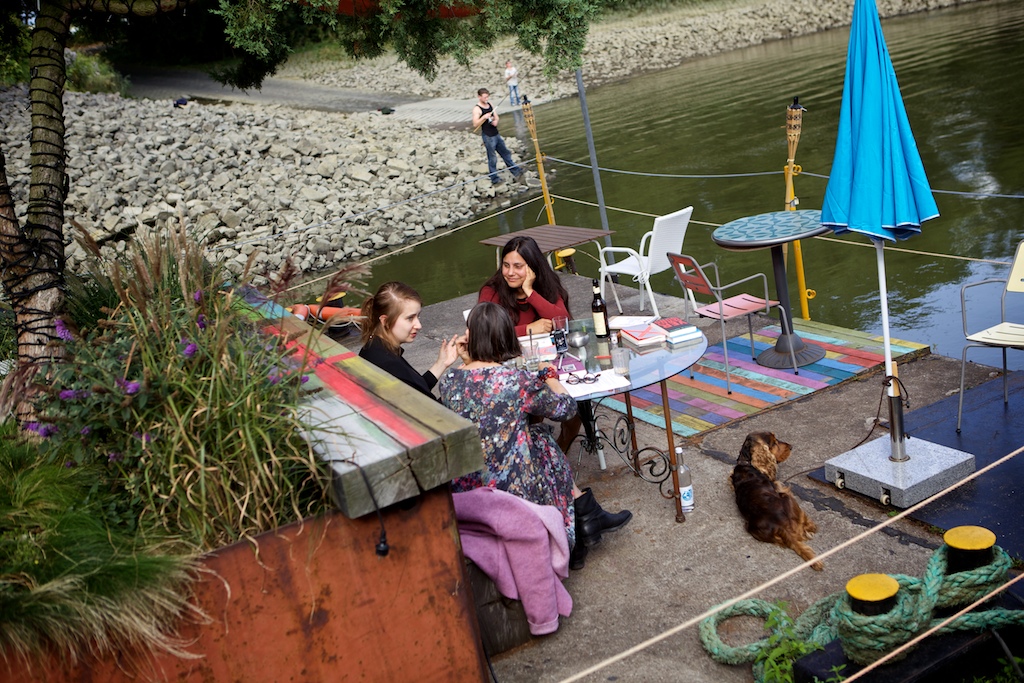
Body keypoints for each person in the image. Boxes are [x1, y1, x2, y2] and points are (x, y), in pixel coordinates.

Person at [441, 302, 632, 569]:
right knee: (543, 445)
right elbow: (566, 409)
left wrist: (467, 361)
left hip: (467, 481)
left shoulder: (449, 380)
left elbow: (478, 397)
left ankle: (584, 521)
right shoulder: (514, 381)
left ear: (469, 335)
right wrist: (548, 373)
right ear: (506, 337)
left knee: (537, 439)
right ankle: (579, 527)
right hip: (510, 484)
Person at [358, 281, 459, 399]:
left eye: (418, 316)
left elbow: (416, 390)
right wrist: (462, 386)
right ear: (385, 321)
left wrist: (441, 363)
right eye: (410, 318)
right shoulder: (389, 364)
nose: (419, 325)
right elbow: (427, 406)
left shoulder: (372, 349)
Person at [478, 235, 569, 337]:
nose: (510, 273)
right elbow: (483, 331)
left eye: (518, 266)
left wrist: (530, 292)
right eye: (506, 265)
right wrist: (527, 330)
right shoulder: (491, 291)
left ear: (533, 267)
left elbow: (562, 322)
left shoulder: (548, 284)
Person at [472, 88, 523, 186]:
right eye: (484, 97)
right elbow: (475, 124)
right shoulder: (477, 109)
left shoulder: (490, 104)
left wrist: (495, 121)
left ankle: (516, 170)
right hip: (488, 136)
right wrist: (483, 117)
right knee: (492, 158)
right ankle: (494, 178)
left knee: (505, 153)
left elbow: (496, 116)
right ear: (479, 97)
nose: (487, 99)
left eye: (487, 97)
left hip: (496, 134)